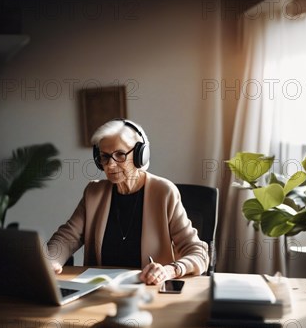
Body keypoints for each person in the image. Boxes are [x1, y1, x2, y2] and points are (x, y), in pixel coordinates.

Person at [47, 119, 209, 285]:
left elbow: (199, 253)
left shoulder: (164, 192)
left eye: (120, 154)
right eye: (105, 157)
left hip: (149, 290)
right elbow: (67, 237)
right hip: (100, 290)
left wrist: (170, 269)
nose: (110, 165)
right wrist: (51, 260)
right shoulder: (94, 192)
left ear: (140, 155)